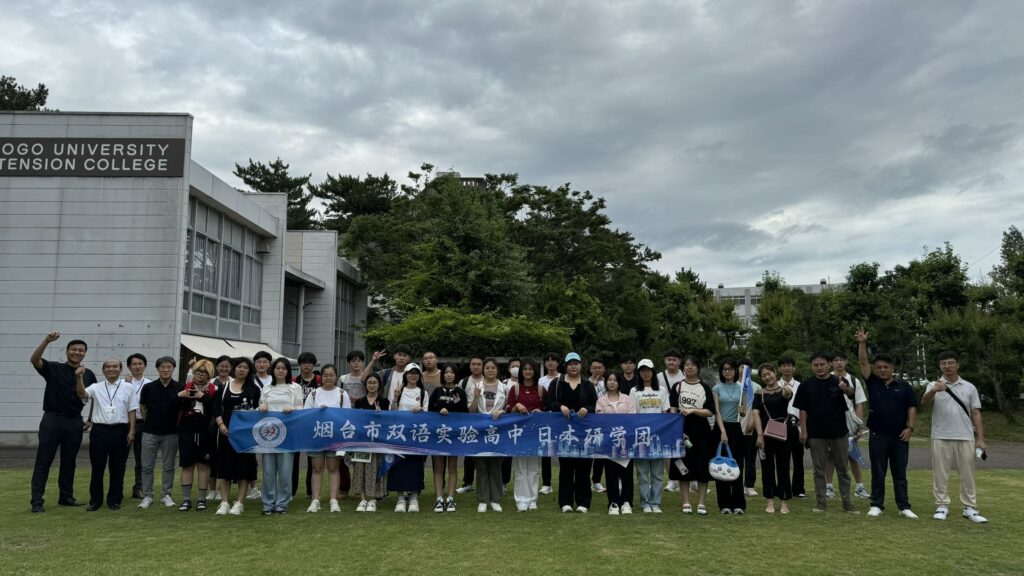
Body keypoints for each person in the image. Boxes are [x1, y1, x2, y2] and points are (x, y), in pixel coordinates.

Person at [29, 332, 96, 513]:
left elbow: (94, 397)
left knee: (69, 462)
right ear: (67, 352)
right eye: (74, 349)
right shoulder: (53, 368)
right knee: (43, 461)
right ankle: (37, 501)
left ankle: (66, 496)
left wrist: (90, 419)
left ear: (84, 353)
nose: (77, 352)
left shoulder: (88, 374)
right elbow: (34, 360)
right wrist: (46, 341)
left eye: (81, 350)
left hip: (74, 421)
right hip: (52, 419)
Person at [854, 331, 918, 519]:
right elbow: (863, 363)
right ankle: (876, 505)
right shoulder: (873, 382)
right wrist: (862, 344)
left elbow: (912, 408)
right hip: (878, 435)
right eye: (879, 367)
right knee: (878, 472)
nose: (882, 370)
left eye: (886, 367)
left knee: (900, 473)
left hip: (900, 436)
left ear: (892, 368)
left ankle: (903, 506)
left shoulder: (904, 386)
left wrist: (910, 428)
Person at [921, 350, 988, 523]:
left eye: (951, 362)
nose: (947, 366)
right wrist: (934, 390)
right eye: (943, 363)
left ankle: (970, 508)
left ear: (957, 365)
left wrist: (981, 439)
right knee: (940, 473)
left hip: (965, 436)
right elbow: (923, 403)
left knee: (967, 474)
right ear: (939, 366)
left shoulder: (969, 387)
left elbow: (975, 413)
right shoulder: (933, 385)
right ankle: (942, 506)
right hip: (940, 435)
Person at [794, 352, 857, 513]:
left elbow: (851, 394)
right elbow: (802, 409)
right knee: (818, 470)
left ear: (829, 365)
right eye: (816, 365)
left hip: (839, 432)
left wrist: (846, 389)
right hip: (816, 433)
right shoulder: (806, 385)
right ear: (812, 366)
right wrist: (804, 430)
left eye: (822, 364)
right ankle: (821, 502)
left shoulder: (839, 380)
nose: (819, 367)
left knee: (843, 469)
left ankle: (847, 502)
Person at [75, 358, 136, 511]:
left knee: (118, 467)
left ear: (120, 369)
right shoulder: (96, 387)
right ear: (103, 370)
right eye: (108, 367)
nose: (111, 369)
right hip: (99, 431)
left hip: (120, 430)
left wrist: (132, 431)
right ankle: (95, 500)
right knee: (97, 467)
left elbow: (132, 410)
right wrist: (79, 377)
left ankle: (114, 499)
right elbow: (82, 394)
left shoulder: (129, 387)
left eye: (115, 366)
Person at [547, 352, 598, 513]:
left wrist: (587, 409)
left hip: (584, 433)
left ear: (581, 365)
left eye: (576, 363)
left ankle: (583, 502)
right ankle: (565, 502)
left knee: (584, 468)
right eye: (570, 364)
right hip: (564, 432)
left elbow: (595, 405)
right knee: (566, 468)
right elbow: (549, 402)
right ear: (566, 366)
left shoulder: (587, 384)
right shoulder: (557, 383)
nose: (573, 366)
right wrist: (560, 406)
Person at [212, 357, 261, 515]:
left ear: (249, 370)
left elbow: (258, 410)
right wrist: (221, 425)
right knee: (224, 467)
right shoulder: (224, 387)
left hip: (245, 435)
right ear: (234, 369)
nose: (242, 370)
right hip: (226, 432)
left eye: (245, 367)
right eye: (239, 367)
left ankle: (239, 503)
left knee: (244, 468)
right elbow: (216, 408)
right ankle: (225, 502)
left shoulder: (254, 389)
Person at [669, 355, 715, 515]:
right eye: (687, 364)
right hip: (681, 429)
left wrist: (693, 410)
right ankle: (686, 502)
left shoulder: (705, 387)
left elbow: (710, 411)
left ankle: (701, 503)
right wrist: (678, 431)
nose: (689, 367)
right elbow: (673, 410)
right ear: (683, 368)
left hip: (701, 430)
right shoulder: (677, 386)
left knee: (702, 466)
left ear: (698, 368)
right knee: (682, 466)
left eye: (693, 365)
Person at [304, 364, 352, 513]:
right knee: (317, 468)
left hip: (335, 436)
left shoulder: (342, 394)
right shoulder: (314, 394)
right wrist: (318, 412)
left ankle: (333, 500)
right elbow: (306, 415)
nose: (328, 378)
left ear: (336, 376)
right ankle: (315, 500)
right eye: (325, 375)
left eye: (331, 375)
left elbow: (348, 416)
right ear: (321, 377)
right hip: (317, 436)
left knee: (333, 468)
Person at [259, 358, 303, 515]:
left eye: (284, 368)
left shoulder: (295, 387)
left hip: (288, 434)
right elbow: (261, 406)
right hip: (268, 435)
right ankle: (268, 503)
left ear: (288, 371)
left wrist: (293, 408)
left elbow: (301, 407)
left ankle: (282, 504)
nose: (280, 370)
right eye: (278, 368)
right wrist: (261, 406)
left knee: (285, 472)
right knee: (268, 472)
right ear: (273, 370)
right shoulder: (266, 388)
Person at [138, 356, 183, 509]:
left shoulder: (180, 387)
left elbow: (181, 410)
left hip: (171, 432)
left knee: (168, 466)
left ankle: (166, 495)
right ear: (157, 369)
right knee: (147, 466)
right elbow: (142, 406)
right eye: (162, 367)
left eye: (169, 367)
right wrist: (148, 421)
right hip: (150, 432)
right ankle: (148, 495)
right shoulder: (148, 387)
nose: (165, 370)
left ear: (173, 369)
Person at [827, 351, 870, 500]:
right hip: (831, 422)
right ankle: (828, 487)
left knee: (853, 455)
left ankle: (859, 487)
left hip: (849, 423)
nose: (839, 363)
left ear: (846, 362)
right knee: (830, 456)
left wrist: (859, 426)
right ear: (831, 363)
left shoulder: (853, 380)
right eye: (835, 360)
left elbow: (858, 404)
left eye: (841, 360)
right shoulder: (827, 379)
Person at [467, 358, 508, 512]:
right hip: (480, 431)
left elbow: (509, 408)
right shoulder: (476, 386)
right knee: (481, 465)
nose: (490, 370)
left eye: (493, 368)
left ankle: (496, 499)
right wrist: (476, 396)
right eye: (487, 368)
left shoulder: (504, 387)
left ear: (497, 370)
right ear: (483, 370)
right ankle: (483, 500)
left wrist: (502, 411)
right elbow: (471, 410)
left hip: (498, 431)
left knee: (496, 464)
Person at [752, 363, 793, 514]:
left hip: (783, 435)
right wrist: (759, 435)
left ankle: (784, 501)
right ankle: (769, 500)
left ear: (775, 372)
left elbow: (787, 396)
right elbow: (755, 414)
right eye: (763, 375)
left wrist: (787, 390)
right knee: (767, 468)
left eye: (769, 373)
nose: (767, 377)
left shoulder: (784, 390)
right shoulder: (760, 394)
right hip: (764, 435)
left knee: (783, 467)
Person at [177, 359, 217, 512]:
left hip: (205, 431)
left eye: (204, 372)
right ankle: (186, 499)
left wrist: (203, 396)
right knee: (187, 465)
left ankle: (202, 499)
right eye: (197, 371)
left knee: (203, 465)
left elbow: (215, 409)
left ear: (209, 375)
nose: (200, 374)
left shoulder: (214, 389)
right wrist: (179, 396)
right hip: (186, 430)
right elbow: (174, 406)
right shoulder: (186, 387)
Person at [629, 358, 669, 513]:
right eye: (642, 371)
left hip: (658, 436)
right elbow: (632, 415)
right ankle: (645, 503)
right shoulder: (634, 391)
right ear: (639, 373)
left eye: (648, 370)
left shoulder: (661, 390)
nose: (645, 373)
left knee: (658, 473)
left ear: (653, 371)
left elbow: (665, 413)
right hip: (640, 436)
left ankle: (656, 502)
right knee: (643, 473)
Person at [505, 359, 546, 511]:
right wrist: (516, 405)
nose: (528, 372)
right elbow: (508, 411)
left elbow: (547, 410)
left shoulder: (541, 389)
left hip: (535, 434)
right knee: (520, 468)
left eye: (530, 369)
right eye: (525, 369)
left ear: (535, 371)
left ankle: (533, 500)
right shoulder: (515, 389)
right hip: (518, 435)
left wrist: (540, 412)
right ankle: (522, 500)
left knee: (534, 469)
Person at [389, 363, 429, 512]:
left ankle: (413, 498)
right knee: (399, 465)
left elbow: (427, 415)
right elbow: (392, 413)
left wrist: (420, 411)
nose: (413, 375)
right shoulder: (399, 390)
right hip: (400, 434)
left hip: (416, 435)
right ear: (405, 375)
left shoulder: (423, 393)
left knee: (415, 465)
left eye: (416, 373)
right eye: (410, 373)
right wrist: (395, 398)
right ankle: (400, 498)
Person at [429, 364, 468, 512]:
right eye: (446, 372)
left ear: (456, 375)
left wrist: (457, 405)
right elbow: (429, 411)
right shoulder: (437, 391)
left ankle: (451, 499)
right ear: (443, 375)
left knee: (452, 467)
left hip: (454, 435)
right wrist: (440, 409)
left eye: (452, 372)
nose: (449, 375)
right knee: (438, 467)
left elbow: (465, 413)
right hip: (439, 435)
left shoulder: (461, 392)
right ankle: (439, 498)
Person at [348, 373, 389, 512]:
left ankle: (373, 499)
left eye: (374, 382)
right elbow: (355, 420)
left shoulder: (384, 401)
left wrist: (380, 414)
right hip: (362, 441)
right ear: (365, 385)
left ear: (379, 385)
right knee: (360, 468)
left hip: (377, 442)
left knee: (375, 468)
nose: (372, 385)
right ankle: (362, 499)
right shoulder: (359, 402)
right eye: (369, 383)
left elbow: (388, 422)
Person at [596, 372, 635, 515]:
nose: (612, 382)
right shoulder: (601, 400)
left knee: (627, 474)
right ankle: (613, 503)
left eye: (615, 380)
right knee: (610, 474)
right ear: (606, 382)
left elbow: (632, 418)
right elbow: (600, 420)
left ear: (619, 383)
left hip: (626, 442)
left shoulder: (627, 399)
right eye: (609, 380)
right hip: (609, 443)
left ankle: (626, 503)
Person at [712, 357, 746, 514]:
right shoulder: (716, 388)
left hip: (736, 428)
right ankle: (724, 504)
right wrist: (723, 431)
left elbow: (743, 412)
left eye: (730, 369)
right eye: (724, 369)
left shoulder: (741, 389)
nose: (727, 371)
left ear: (735, 371)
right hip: (721, 428)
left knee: (737, 465)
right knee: (721, 466)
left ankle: (738, 504)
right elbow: (716, 411)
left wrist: (742, 411)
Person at [293, 351, 321, 498]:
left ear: (313, 365)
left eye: (309, 363)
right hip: (296, 423)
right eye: (303, 363)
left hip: (313, 423)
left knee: (313, 458)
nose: (306, 365)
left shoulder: (319, 380)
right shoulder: (293, 381)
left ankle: (311, 491)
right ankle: (291, 491)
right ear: (299, 365)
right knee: (293, 457)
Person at [456, 355, 485, 494]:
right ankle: (467, 482)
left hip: (485, 422)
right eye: (473, 364)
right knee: (468, 454)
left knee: (485, 454)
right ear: (470, 366)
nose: (476, 366)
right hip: (468, 422)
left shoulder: (489, 380)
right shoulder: (464, 382)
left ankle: (484, 483)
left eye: (479, 364)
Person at [125, 352, 151, 500]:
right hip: (124, 424)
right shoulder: (123, 384)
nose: (137, 366)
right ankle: (117, 488)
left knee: (141, 459)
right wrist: (127, 385)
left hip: (142, 424)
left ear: (145, 366)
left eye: (140, 364)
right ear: (129, 367)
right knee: (120, 458)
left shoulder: (149, 384)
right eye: (134, 364)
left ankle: (139, 487)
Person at [779, 355, 805, 498]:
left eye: (789, 365)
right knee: (783, 459)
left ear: (794, 368)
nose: (787, 368)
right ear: (779, 368)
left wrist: (803, 425)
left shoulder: (801, 386)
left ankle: (798, 489)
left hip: (797, 424)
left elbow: (805, 407)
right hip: (781, 424)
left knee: (798, 458)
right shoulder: (775, 385)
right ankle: (784, 488)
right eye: (784, 365)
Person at [207, 355, 232, 501]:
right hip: (212, 424)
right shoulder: (210, 383)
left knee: (227, 457)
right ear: (216, 367)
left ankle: (224, 489)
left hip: (229, 423)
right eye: (221, 366)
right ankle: (212, 490)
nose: (224, 368)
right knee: (212, 457)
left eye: (227, 366)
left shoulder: (234, 383)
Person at [660, 349, 685, 492]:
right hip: (665, 417)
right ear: (665, 361)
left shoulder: (686, 375)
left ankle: (690, 478)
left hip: (683, 416)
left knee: (685, 448)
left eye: (674, 359)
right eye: (669, 359)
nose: (671, 362)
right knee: (667, 450)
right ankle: (671, 480)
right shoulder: (658, 377)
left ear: (679, 361)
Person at [537, 352, 561, 495]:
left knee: (563, 449)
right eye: (548, 360)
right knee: (545, 451)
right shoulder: (541, 380)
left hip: (560, 417)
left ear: (558, 363)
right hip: (545, 418)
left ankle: (565, 482)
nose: (550, 363)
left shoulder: (562, 378)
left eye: (553, 360)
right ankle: (547, 483)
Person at [737, 357, 760, 497]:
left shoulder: (756, 387)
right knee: (737, 458)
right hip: (736, 426)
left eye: (748, 368)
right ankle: (737, 484)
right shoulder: (733, 385)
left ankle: (749, 485)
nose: (744, 370)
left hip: (752, 427)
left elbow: (759, 408)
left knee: (750, 458)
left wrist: (753, 422)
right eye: (742, 367)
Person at [589, 358, 608, 494]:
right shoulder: (585, 382)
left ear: (604, 369)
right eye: (594, 368)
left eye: (599, 367)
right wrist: (592, 385)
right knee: (590, 451)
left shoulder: (609, 382)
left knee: (602, 452)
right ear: (590, 369)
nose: (596, 370)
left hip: (605, 420)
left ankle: (597, 481)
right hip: (590, 420)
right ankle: (588, 481)